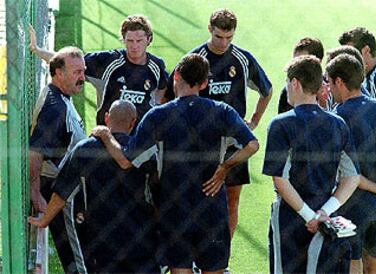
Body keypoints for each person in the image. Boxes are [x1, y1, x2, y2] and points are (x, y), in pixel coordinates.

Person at [92, 54, 259, 274]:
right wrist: (223, 169)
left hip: (174, 209)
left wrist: (104, 134)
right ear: (205, 83)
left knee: (180, 270)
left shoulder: (157, 116)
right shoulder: (222, 111)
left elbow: (125, 161)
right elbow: (252, 145)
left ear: (176, 76)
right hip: (212, 208)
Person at [167, 8, 272, 240]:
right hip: (199, 143)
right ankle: (194, 256)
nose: (223, 43)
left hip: (234, 142)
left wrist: (253, 121)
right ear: (209, 30)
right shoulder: (193, 59)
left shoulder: (243, 60)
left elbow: (267, 90)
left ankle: (221, 257)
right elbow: (170, 93)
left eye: (229, 38)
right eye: (218, 37)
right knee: (195, 200)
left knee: (231, 201)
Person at [29, 100, 159, 273]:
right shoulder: (143, 153)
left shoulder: (85, 148)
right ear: (133, 122)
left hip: (101, 243)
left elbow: (61, 193)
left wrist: (44, 220)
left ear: (106, 118)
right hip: (141, 241)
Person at [263, 55, 360, 273]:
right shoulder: (338, 123)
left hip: (289, 216)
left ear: (295, 82)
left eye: (288, 82)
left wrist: (308, 215)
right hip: (325, 216)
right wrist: (322, 213)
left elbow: (280, 179)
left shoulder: (280, 124)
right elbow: (352, 177)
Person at [326, 53, 376, 274]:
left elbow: (343, 172)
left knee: (351, 264)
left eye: (329, 82)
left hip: (349, 207)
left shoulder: (337, 118)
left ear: (339, 82)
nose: (329, 88)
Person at [29, 14, 168, 125]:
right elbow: (67, 62)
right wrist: (37, 50)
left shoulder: (157, 66)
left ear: (148, 40)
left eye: (139, 41)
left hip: (140, 138)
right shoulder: (107, 61)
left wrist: (154, 105)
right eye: (130, 41)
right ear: (123, 40)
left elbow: (163, 90)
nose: (134, 46)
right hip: (107, 136)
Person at [29, 46, 87, 273]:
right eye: (76, 72)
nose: (82, 77)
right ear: (59, 73)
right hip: (60, 192)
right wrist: (35, 192)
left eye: (83, 71)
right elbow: (35, 151)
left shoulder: (61, 94)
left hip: (69, 187)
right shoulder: (55, 108)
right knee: (76, 257)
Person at [278, 37, 326, 113]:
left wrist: (323, 103)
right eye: (295, 61)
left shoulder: (333, 88)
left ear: (318, 62)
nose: (296, 65)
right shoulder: (289, 89)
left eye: (302, 61)